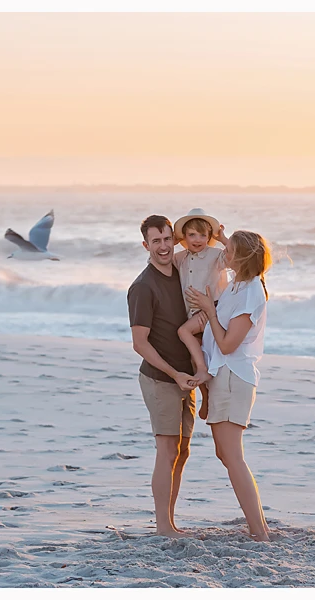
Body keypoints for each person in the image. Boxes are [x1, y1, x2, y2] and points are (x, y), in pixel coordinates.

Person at [186, 230, 273, 541]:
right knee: (225, 453)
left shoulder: (250, 291)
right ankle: (259, 526)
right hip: (223, 375)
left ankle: (259, 533)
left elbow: (226, 344)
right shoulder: (239, 282)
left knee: (232, 456)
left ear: (243, 258)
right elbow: (243, 251)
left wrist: (209, 309)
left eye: (229, 250)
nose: (223, 252)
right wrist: (224, 238)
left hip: (233, 375)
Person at [127, 215, 197, 538]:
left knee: (182, 452)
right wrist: (175, 374)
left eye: (168, 239)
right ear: (146, 245)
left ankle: (170, 520)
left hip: (186, 378)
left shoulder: (181, 272)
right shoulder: (143, 287)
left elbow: (207, 253)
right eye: (156, 241)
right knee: (167, 450)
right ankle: (163, 527)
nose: (164, 246)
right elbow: (139, 343)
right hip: (160, 377)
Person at [172, 208, 230, 421]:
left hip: (211, 308)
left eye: (203, 235)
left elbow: (236, 256)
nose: (197, 239)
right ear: (184, 238)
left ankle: (204, 372)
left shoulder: (215, 255)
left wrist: (223, 238)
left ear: (209, 237)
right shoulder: (181, 258)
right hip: (192, 313)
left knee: (184, 332)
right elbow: (158, 262)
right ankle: (206, 397)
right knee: (194, 356)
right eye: (192, 235)